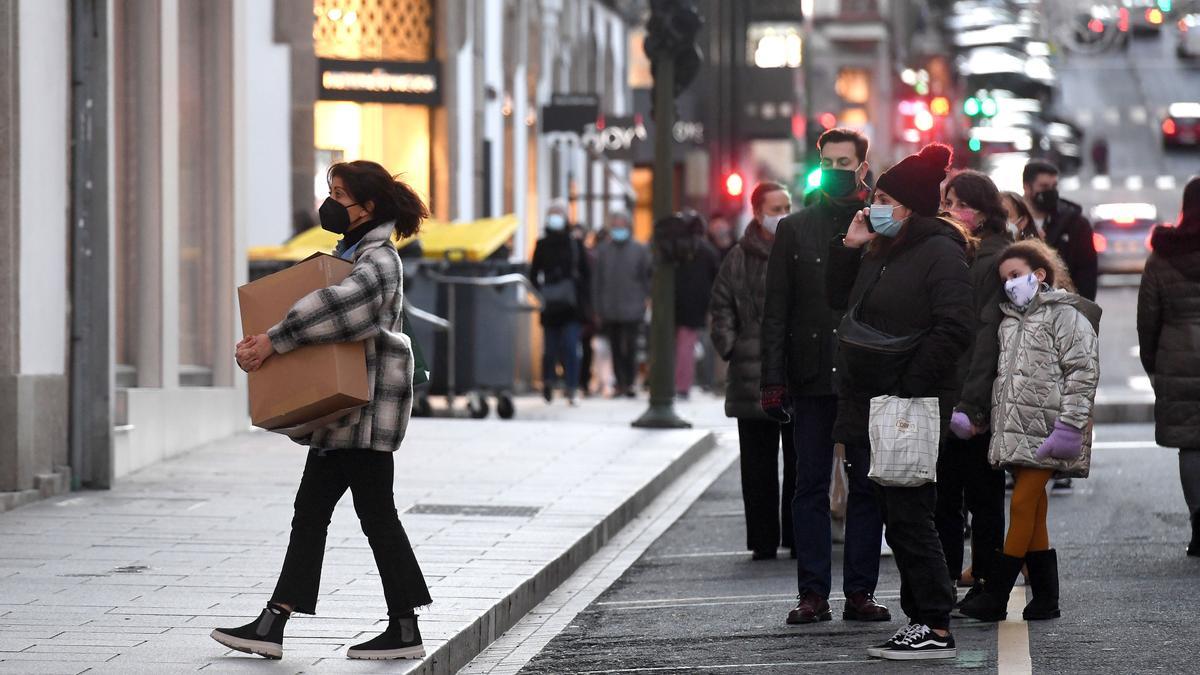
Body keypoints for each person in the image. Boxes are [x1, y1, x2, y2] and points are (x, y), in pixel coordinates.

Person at [213, 161, 433, 661]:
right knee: (343, 515)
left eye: (340, 194)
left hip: (360, 418)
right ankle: (289, 622)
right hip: (350, 419)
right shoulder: (354, 253)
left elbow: (337, 308)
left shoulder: (378, 260)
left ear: (368, 206)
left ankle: (282, 622)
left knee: (343, 516)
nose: (331, 203)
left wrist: (273, 339)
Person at [826, 143, 973, 660]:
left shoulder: (939, 251)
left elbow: (956, 325)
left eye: (883, 197)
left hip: (906, 402)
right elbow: (841, 304)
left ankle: (934, 624)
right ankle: (924, 620)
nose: (871, 205)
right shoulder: (886, 249)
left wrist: (910, 385)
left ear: (909, 206)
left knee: (911, 514)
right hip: (877, 400)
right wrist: (852, 246)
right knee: (897, 511)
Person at [760, 128, 888, 626]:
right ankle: (811, 592)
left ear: (861, 167)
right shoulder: (795, 229)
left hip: (863, 373)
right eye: (827, 162)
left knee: (867, 484)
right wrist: (773, 380)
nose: (835, 170)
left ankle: (860, 591)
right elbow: (776, 311)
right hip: (810, 372)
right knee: (808, 485)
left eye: (844, 162)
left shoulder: (880, 225)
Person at [959, 239, 1100, 622]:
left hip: (1052, 429)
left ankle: (996, 595)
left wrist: (1070, 425)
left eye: (1016, 275)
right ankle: (1046, 599)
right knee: (1034, 512)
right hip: (1020, 432)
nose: (1009, 284)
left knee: (1021, 506)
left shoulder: (1065, 314)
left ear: (1040, 274)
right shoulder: (1009, 320)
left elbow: (1082, 372)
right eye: (1005, 278)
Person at [935, 171, 1010, 611]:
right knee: (948, 495)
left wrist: (974, 402)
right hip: (950, 391)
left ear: (982, 212)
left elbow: (988, 337)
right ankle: (953, 579)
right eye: (945, 200)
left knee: (979, 496)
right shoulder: (958, 252)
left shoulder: (991, 258)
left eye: (957, 202)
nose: (949, 210)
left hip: (973, 397)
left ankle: (984, 582)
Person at [711, 182, 796, 561]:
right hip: (751, 371)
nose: (783, 214)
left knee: (799, 460)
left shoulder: (800, 251)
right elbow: (721, 305)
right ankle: (762, 540)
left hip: (796, 367)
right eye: (775, 208)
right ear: (758, 212)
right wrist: (731, 344)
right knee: (757, 463)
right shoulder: (738, 257)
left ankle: (797, 536)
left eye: (787, 206)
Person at [1137, 176, 1200, 557]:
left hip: (1177, 357)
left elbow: (1148, 319)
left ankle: (1199, 522)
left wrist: (1154, 365)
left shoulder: (1162, 256)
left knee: (1191, 446)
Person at [530, 203, 591, 405]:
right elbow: (533, 273)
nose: (555, 218)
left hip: (571, 306)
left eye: (559, 214)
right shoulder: (542, 244)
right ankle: (548, 381)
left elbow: (586, 275)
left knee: (571, 347)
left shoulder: (575, 244)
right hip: (550, 305)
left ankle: (571, 386)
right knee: (550, 349)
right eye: (552, 214)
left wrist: (584, 303)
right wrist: (541, 293)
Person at [592, 212, 652, 398]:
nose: (618, 229)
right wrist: (598, 307)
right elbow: (597, 281)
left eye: (621, 225)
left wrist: (646, 298)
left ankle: (630, 381)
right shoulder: (603, 250)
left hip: (633, 307)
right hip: (610, 308)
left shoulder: (639, 250)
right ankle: (620, 381)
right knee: (616, 347)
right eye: (615, 225)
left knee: (632, 347)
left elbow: (646, 277)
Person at [1022, 160, 1098, 300]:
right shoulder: (1015, 220)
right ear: (1027, 187)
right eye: (1044, 186)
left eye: (1054, 186)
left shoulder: (1076, 224)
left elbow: (1087, 273)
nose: (1050, 191)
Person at [674, 211, 720, 399]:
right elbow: (716, 278)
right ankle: (683, 385)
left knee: (674, 346)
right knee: (687, 345)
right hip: (697, 305)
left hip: (673, 302)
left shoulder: (675, 249)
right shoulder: (708, 251)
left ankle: (674, 383)